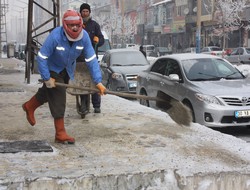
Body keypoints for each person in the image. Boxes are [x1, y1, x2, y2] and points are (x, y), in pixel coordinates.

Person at [22, 10, 106, 144]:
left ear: (81, 24)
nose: (74, 28)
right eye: (71, 25)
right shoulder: (55, 36)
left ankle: (29, 106)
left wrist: (98, 82)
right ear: (65, 25)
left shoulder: (84, 37)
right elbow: (42, 57)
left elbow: (91, 59)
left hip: (67, 69)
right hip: (52, 68)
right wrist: (46, 77)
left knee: (48, 92)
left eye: (77, 25)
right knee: (58, 95)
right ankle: (60, 133)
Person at [78, 3, 104, 114]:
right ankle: (83, 105)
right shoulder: (77, 25)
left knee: (95, 81)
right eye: (83, 11)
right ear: (80, 13)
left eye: (86, 11)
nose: (85, 13)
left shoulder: (94, 25)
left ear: (89, 12)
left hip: (92, 58)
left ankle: (96, 105)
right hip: (79, 59)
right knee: (82, 83)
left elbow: (102, 39)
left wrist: (99, 40)